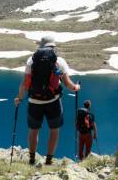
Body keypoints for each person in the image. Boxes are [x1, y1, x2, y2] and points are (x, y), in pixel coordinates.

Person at [15, 34, 80, 166]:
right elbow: (68, 84)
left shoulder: (31, 60)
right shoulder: (59, 61)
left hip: (34, 101)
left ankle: (32, 159)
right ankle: (49, 160)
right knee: (54, 130)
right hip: (53, 102)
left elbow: (25, 83)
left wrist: (19, 98)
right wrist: (76, 87)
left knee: (33, 131)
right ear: (53, 46)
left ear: (41, 46)